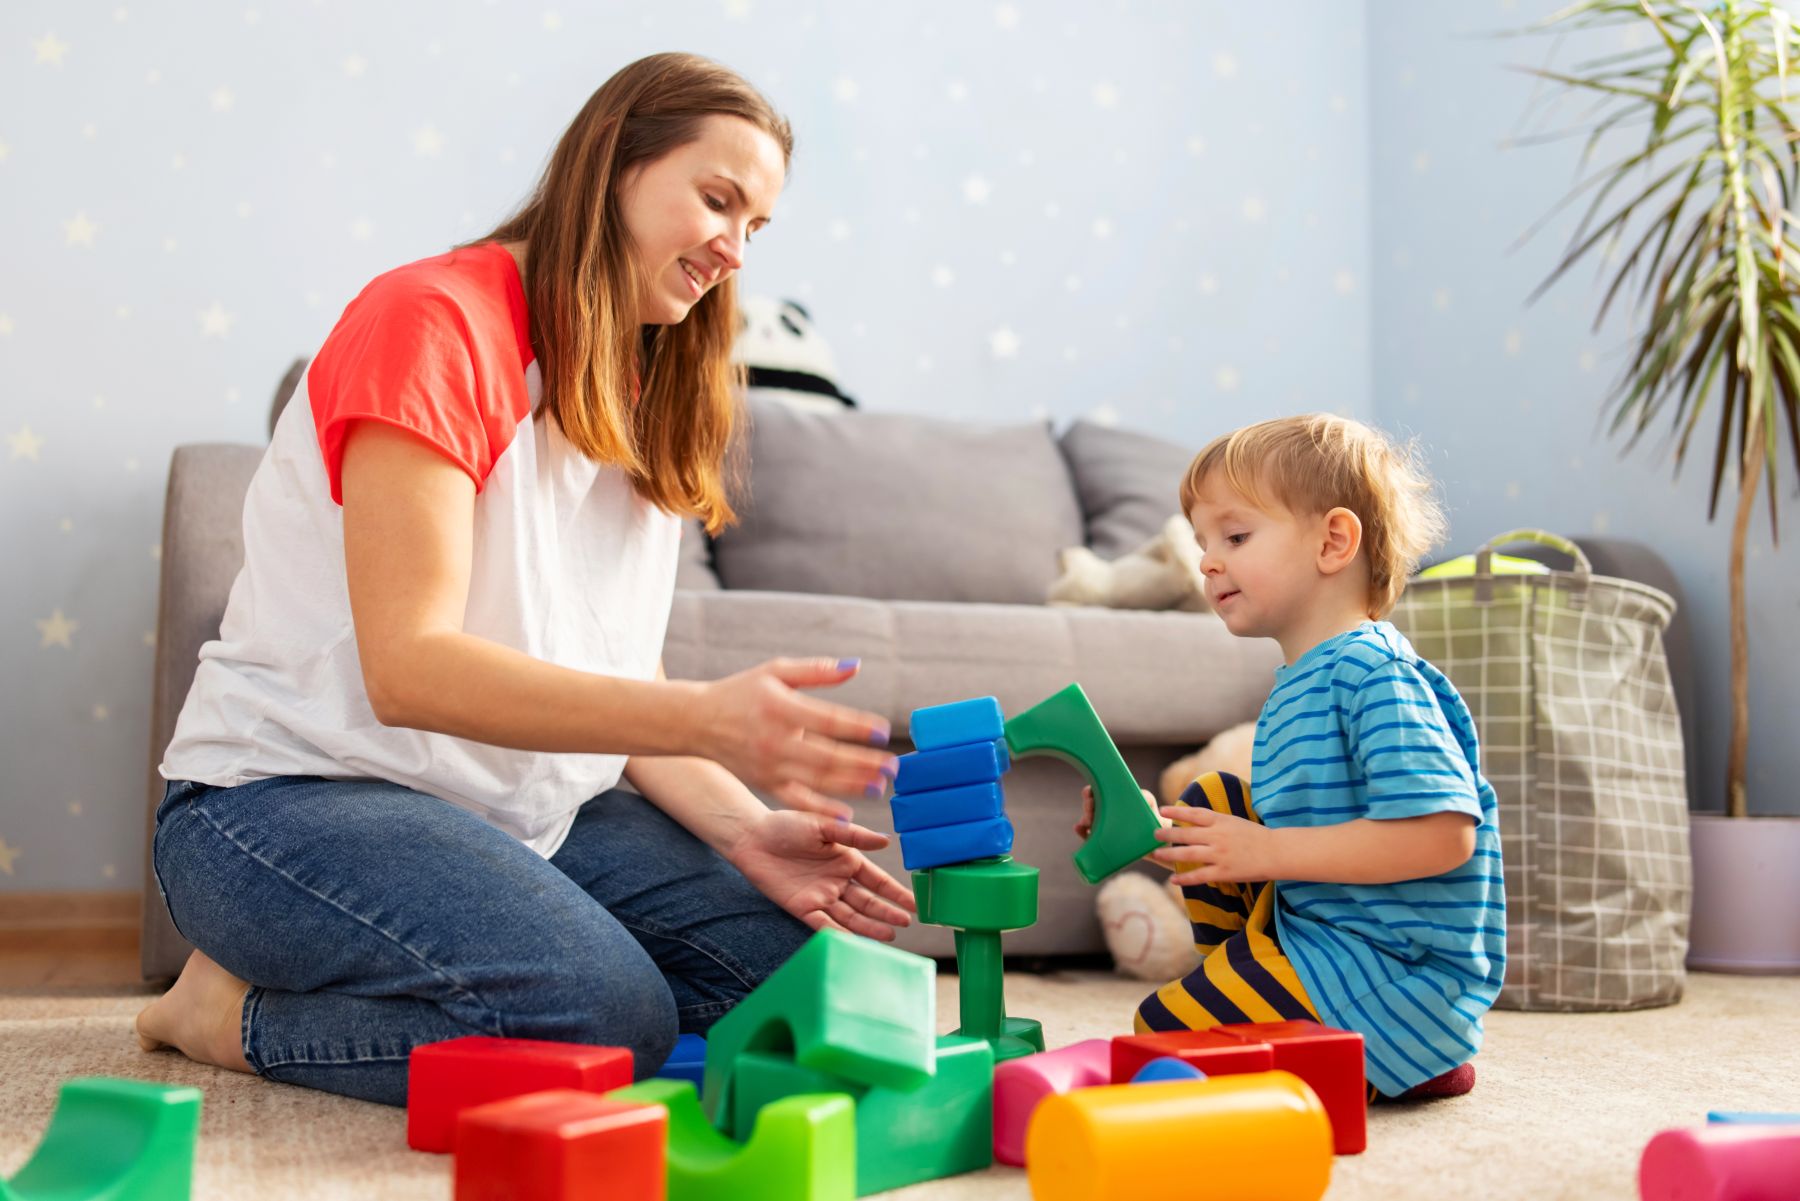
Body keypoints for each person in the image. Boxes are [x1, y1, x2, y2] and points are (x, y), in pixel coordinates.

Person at [134, 52, 914, 1108]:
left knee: (806, 990)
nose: (733, 249)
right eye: (717, 199)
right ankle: (223, 1013)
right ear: (613, 168)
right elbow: (410, 668)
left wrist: (742, 827)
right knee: (601, 1021)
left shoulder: (639, 377)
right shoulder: (434, 322)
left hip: (520, 815)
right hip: (288, 801)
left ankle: (455, 947)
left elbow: (610, 671)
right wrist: (705, 718)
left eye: (756, 227)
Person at [1077, 413, 1505, 1100]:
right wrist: (1147, 826)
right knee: (1213, 797)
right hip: (1322, 935)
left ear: (1334, 541)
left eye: (1235, 536)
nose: (1208, 561)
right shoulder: (1306, 677)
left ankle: (1392, 1051)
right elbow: (1262, 841)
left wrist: (1265, 853)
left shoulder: (1375, 675)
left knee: (1159, 1035)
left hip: (1396, 970)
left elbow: (1445, 834)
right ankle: (1300, 1014)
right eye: (1203, 543)